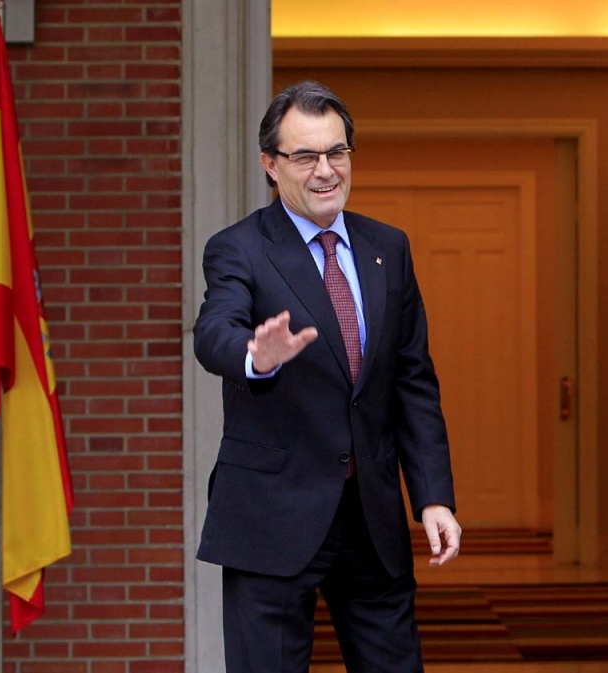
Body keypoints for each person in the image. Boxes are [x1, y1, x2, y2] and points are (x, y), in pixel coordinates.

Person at [193, 80, 461, 673]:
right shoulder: (239, 248)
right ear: (271, 164)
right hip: (270, 517)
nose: (325, 171)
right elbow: (214, 331)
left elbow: (412, 380)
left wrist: (433, 497)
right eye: (305, 156)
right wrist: (256, 357)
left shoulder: (387, 248)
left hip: (371, 520)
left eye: (336, 152)